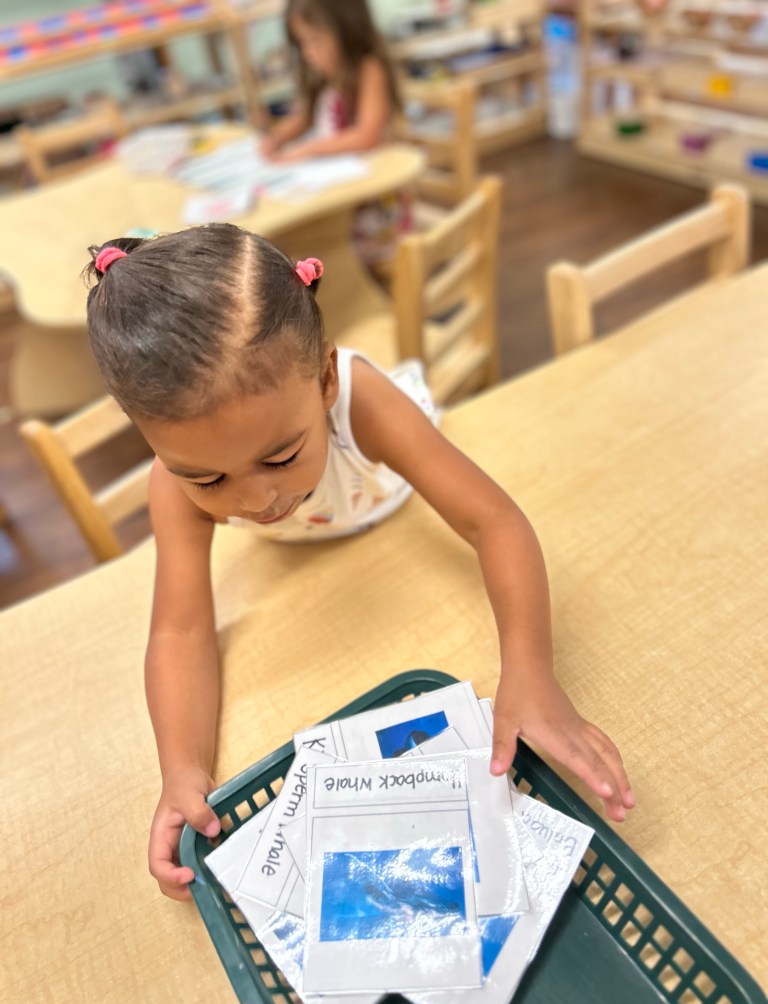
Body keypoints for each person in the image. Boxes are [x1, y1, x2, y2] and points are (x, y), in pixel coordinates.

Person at [84, 225, 635, 901]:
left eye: (281, 458)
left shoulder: (359, 401)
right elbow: (179, 629)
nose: (257, 501)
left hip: (386, 490)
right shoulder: (174, 485)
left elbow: (493, 521)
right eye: (208, 479)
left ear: (324, 380)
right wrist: (182, 770)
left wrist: (531, 670)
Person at [260, 0, 399, 162]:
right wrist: (276, 139)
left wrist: (307, 150)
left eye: (315, 40)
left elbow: (367, 137)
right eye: (301, 43)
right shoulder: (327, 77)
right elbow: (306, 117)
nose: (307, 53)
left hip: (372, 173)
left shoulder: (370, 69)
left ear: (347, 29)